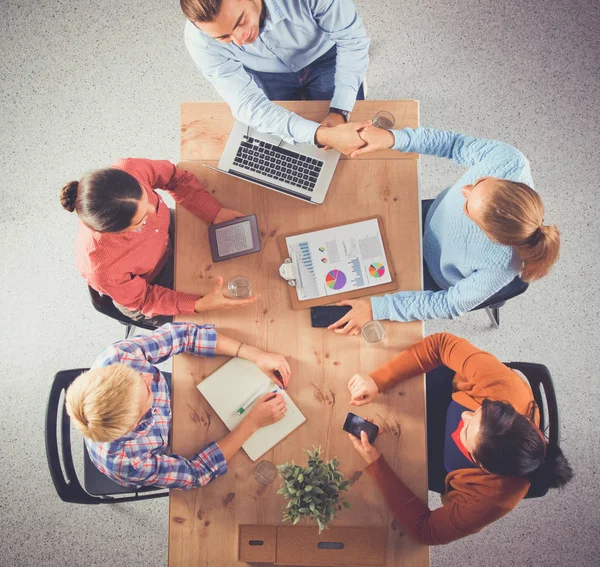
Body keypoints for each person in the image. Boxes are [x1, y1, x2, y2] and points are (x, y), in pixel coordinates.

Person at [328, 126, 561, 334]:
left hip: (431, 274)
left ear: (489, 235)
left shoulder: (500, 267)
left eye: (468, 208)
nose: (465, 189)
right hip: (428, 217)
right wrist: (392, 138)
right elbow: (453, 144)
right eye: (480, 183)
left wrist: (376, 308)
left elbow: (448, 304)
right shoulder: (509, 161)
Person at [346, 332, 572, 545]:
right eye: (477, 411)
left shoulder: (491, 499)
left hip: (439, 466)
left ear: (481, 464)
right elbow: (441, 344)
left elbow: (424, 530)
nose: (464, 415)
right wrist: (378, 380)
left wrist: (376, 464)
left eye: (465, 431)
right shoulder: (505, 388)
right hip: (445, 395)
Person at [66, 322, 291, 489]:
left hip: (182, 401)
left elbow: (181, 335)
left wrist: (255, 354)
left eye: (134, 375)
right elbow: (196, 472)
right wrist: (251, 424)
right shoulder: (129, 464)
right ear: (136, 423)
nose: (148, 378)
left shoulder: (118, 357)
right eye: (145, 391)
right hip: (175, 439)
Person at [60, 158, 256, 326]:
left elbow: (174, 178)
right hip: (152, 286)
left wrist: (213, 211)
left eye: (148, 200)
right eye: (141, 221)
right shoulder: (101, 267)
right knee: (221, 321)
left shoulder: (129, 168)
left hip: (167, 236)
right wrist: (197, 305)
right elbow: (145, 299)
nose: (154, 213)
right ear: (114, 231)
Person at [181, 0, 371, 153]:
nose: (240, 41)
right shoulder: (199, 41)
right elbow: (248, 104)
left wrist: (341, 110)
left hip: (326, 56)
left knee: (353, 122)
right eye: (224, 38)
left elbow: (352, 41)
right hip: (267, 74)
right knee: (284, 137)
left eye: (241, 21)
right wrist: (318, 134)